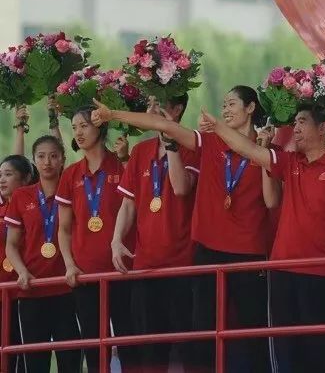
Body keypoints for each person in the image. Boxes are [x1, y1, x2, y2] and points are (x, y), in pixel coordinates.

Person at [91, 86, 280, 373]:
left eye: (231, 103)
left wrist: (265, 154)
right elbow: (163, 125)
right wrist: (111, 114)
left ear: (251, 107)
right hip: (208, 252)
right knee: (202, 337)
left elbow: (271, 201)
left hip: (250, 254)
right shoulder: (210, 142)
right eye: (223, 104)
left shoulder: (267, 149)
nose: (225, 109)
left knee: (253, 336)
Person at [179, 104, 325, 373]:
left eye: (302, 122)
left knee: (322, 352)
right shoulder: (290, 162)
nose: (295, 129)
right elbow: (249, 150)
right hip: (283, 270)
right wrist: (218, 126)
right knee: (287, 353)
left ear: (322, 128)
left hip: (323, 272)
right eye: (294, 123)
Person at [112, 94, 198, 372]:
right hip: (145, 265)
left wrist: (170, 139)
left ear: (177, 109)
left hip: (183, 264)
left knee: (188, 348)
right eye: (148, 107)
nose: (150, 112)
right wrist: (115, 241)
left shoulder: (192, 146)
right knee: (150, 350)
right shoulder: (139, 151)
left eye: (158, 106)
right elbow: (128, 203)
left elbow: (181, 187)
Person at [56, 106, 138, 372]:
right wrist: (69, 264)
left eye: (84, 126)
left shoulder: (122, 165)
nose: (78, 132)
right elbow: (64, 228)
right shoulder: (70, 174)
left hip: (123, 269)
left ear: (100, 126)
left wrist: (126, 160)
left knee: (129, 339)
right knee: (92, 344)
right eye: (75, 127)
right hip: (85, 274)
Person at [4, 136, 82, 372]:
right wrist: (22, 272)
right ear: (34, 161)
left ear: (62, 160)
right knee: (35, 364)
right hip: (31, 291)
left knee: (70, 361)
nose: (47, 162)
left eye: (54, 156)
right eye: (41, 156)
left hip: (66, 289)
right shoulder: (21, 196)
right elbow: (11, 245)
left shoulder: (74, 190)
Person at [0, 154, 35, 373]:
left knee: (23, 353)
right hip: (1, 293)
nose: (2, 179)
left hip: (22, 292)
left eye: (8, 174)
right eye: (0, 175)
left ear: (25, 179)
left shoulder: (32, 208)